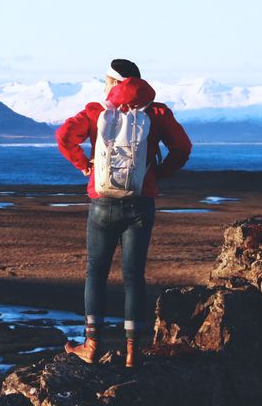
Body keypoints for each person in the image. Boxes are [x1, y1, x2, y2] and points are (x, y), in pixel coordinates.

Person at [55, 58, 192, 368]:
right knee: (133, 278)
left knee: (96, 273)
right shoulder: (157, 114)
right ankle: (132, 353)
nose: (104, 85)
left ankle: (90, 346)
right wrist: (157, 173)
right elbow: (183, 147)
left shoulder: (95, 113)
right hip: (141, 203)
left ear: (116, 83)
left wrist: (84, 165)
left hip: (102, 203)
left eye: (106, 80)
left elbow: (63, 136)